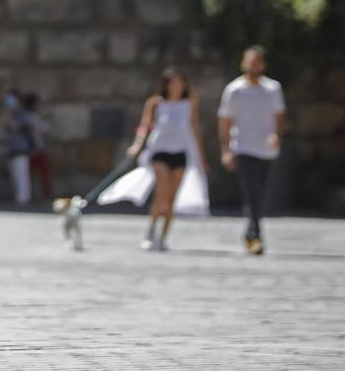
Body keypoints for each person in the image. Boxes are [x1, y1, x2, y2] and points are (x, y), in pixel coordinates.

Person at [99, 66, 209, 250]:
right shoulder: (156, 103)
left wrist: (201, 157)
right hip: (160, 153)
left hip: (180, 153)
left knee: (171, 199)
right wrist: (137, 144)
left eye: (180, 81)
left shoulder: (189, 104)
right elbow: (144, 126)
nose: (177, 85)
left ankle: (163, 236)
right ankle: (150, 231)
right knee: (162, 193)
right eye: (173, 82)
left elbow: (195, 130)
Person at [218, 45, 286, 255]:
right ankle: (254, 234)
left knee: (260, 191)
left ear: (263, 64)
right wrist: (226, 149)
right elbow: (225, 120)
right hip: (243, 146)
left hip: (265, 148)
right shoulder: (234, 90)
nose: (252, 65)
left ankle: (251, 231)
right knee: (251, 190)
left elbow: (279, 116)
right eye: (249, 61)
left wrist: (276, 135)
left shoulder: (273, 88)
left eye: (256, 62)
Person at [3, 90, 34, 206]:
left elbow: (24, 128)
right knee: (15, 176)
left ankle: (23, 199)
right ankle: (19, 198)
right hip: (12, 149)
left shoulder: (23, 114)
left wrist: (11, 118)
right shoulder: (11, 114)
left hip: (22, 148)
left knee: (22, 175)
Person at [25, 94, 53, 200]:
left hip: (29, 150)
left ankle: (30, 195)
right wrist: (48, 118)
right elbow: (44, 128)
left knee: (29, 175)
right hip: (36, 149)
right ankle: (45, 195)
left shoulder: (25, 115)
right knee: (44, 174)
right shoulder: (33, 116)